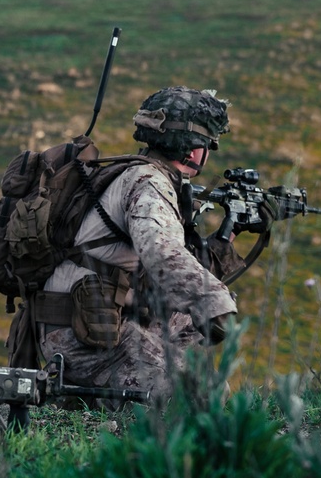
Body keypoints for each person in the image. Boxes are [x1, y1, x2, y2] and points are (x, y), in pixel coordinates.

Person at [16, 86, 271, 403]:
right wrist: (213, 303)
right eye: (209, 145)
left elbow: (167, 266)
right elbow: (161, 253)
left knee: (190, 325)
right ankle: (109, 403)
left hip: (94, 319)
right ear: (194, 150)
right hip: (82, 333)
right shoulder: (149, 182)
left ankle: (124, 395)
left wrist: (232, 232)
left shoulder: (134, 172)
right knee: (205, 398)